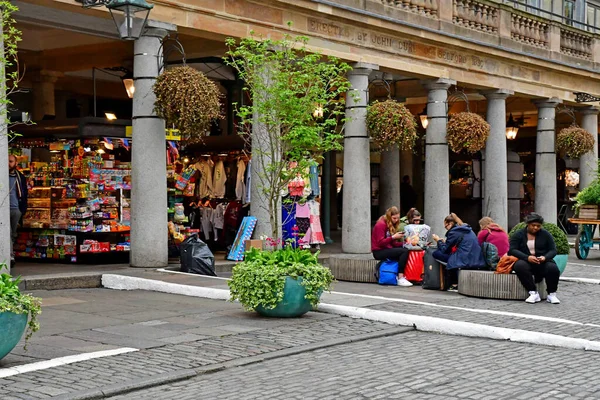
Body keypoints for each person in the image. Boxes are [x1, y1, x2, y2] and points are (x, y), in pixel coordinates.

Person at [508, 213, 560, 304]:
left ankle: (552, 294)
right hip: (525, 260)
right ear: (528, 224)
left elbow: (553, 250)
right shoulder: (518, 234)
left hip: (543, 261)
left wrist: (545, 257)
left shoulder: (546, 234)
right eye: (533, 225)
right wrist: (527, 257)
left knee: (553, 268)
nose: (535, 228)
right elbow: (512, 250)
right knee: (520, 266)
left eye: (538, 226)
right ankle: (533, 293)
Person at [432, 213, 486, 288]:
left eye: (446, 226)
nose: (446, 228)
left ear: (450, 224)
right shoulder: (466, 229)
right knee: (452, 257)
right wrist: (445, 242)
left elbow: (445, 250)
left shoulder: (453, 232)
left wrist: (438, 241)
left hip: (464, 259)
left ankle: (454, 283)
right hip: (476, 258)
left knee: (436, 253)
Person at [371, 206, 412, 287]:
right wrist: (393, 237)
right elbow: (380, 243)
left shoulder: (389, 224)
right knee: (404, 252)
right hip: (378, 251)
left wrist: (405, 244)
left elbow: (392, 244)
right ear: (389, 216)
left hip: (385, 248)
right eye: (394, 218)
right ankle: (400, 277)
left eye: (397, 218)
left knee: (405, 249)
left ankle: (402, 275)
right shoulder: (381, 225)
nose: (396, 220)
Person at [8, 155, 28, 266]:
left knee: (13, 233)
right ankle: (10, 257)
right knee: (9, 233)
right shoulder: (2, 176)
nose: (8, 164)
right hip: (5, 209)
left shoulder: (20, 177)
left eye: (11, 161)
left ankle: (11, 253)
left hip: (16, 209)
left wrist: (23, 209)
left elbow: (25, 194)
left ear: (16, 163)